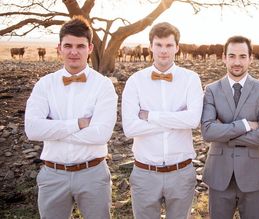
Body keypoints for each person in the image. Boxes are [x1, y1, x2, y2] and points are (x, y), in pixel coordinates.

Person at [25, 17, 118, 219]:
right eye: (68, 45)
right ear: (59, 48)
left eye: (80, 46)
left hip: (93, 173)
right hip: (52, 174)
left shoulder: (103, 85)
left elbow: (101, 135)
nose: (73, 52)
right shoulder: (44, 84)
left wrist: (51, 130)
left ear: (90, 48)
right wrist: (78, 124)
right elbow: (32, 130)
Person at [121, 22, 203, 219]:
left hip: (181, 172)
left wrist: (150, 116)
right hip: (144, 172)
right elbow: (130, 128)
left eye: (168, 45)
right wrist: (176, 120)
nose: (163, 51)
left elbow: (192, 120)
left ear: (177, 47)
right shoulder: (135, 81)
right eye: (158, 45)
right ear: (150, 47)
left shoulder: (191, 79)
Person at [201, 35, 259, 219]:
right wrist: (245, 125)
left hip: (254, 174)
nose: (237, 62)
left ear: (251, 58)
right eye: (232, 56)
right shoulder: (211, 90)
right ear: (224, 57)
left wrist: (224, 132)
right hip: (219, 174)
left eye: (242, 56)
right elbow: (207, 131)